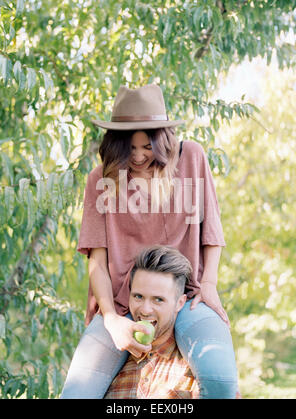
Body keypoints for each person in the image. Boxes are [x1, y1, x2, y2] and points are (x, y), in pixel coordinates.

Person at [61, 84, 238, 399]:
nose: (140, 156)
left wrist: (209, 284)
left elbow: (212, 229)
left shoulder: (191, 158)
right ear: (116, 144)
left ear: (163, 139)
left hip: (186, 297)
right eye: (130, 148)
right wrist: (113, 320)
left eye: (148, 146)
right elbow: (97, 263)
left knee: (221, 381)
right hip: (121, 304)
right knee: (76, 394)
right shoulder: (100, 180)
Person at [104, 245, 199, 399]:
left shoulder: (197, 369)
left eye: (158, 300)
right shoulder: (108, 364)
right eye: (138, 297)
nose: (145, 310)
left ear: (180, 303)